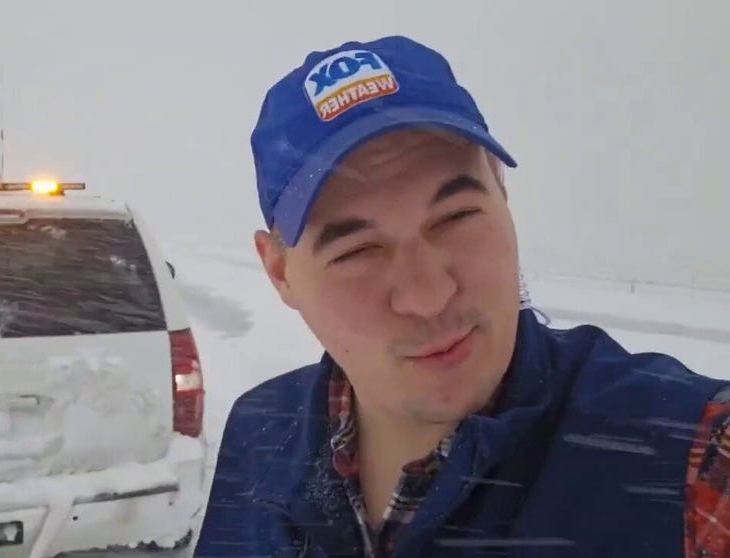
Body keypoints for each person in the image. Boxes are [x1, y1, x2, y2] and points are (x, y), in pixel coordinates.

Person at [193, 35, 730, 557]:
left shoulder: (691, 455)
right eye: (358, 251)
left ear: (502, 193)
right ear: (280, 272)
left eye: (456, 217)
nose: (429, 296)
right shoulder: (259, 434)